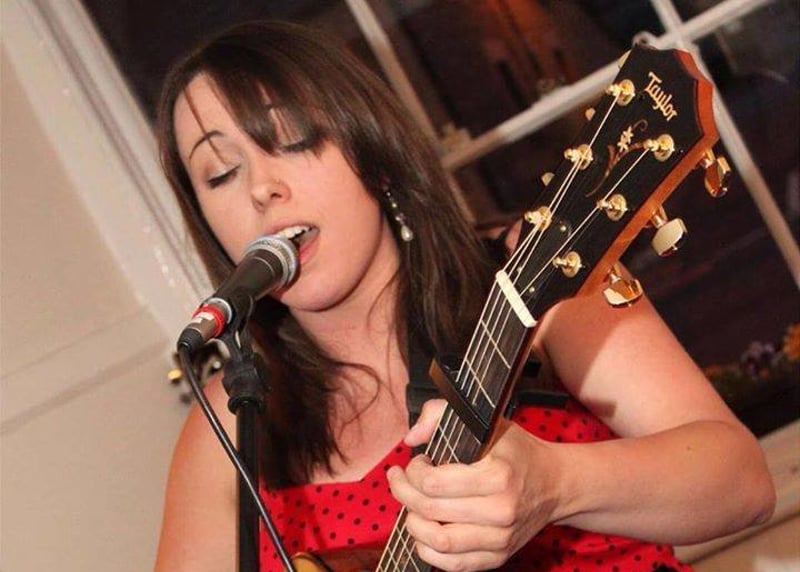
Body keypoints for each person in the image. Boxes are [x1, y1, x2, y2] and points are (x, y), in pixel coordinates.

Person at [153, 20, 775, 572]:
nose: (261, 188)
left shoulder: (530, 278)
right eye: (221, 173)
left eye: (292, 140)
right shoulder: (228, 424)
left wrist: (556, 483)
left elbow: (742, 483)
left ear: (373, 154)